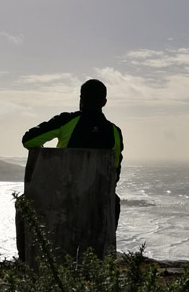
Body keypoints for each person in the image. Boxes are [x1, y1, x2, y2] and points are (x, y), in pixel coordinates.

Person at [21, 79, 124, 224]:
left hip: (61, 200)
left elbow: (29, 140)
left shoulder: (66, 121)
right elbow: (115, 170)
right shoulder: (115, 132)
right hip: (98, 206)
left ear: (81, 99)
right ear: (104, 102)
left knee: (22, 203)